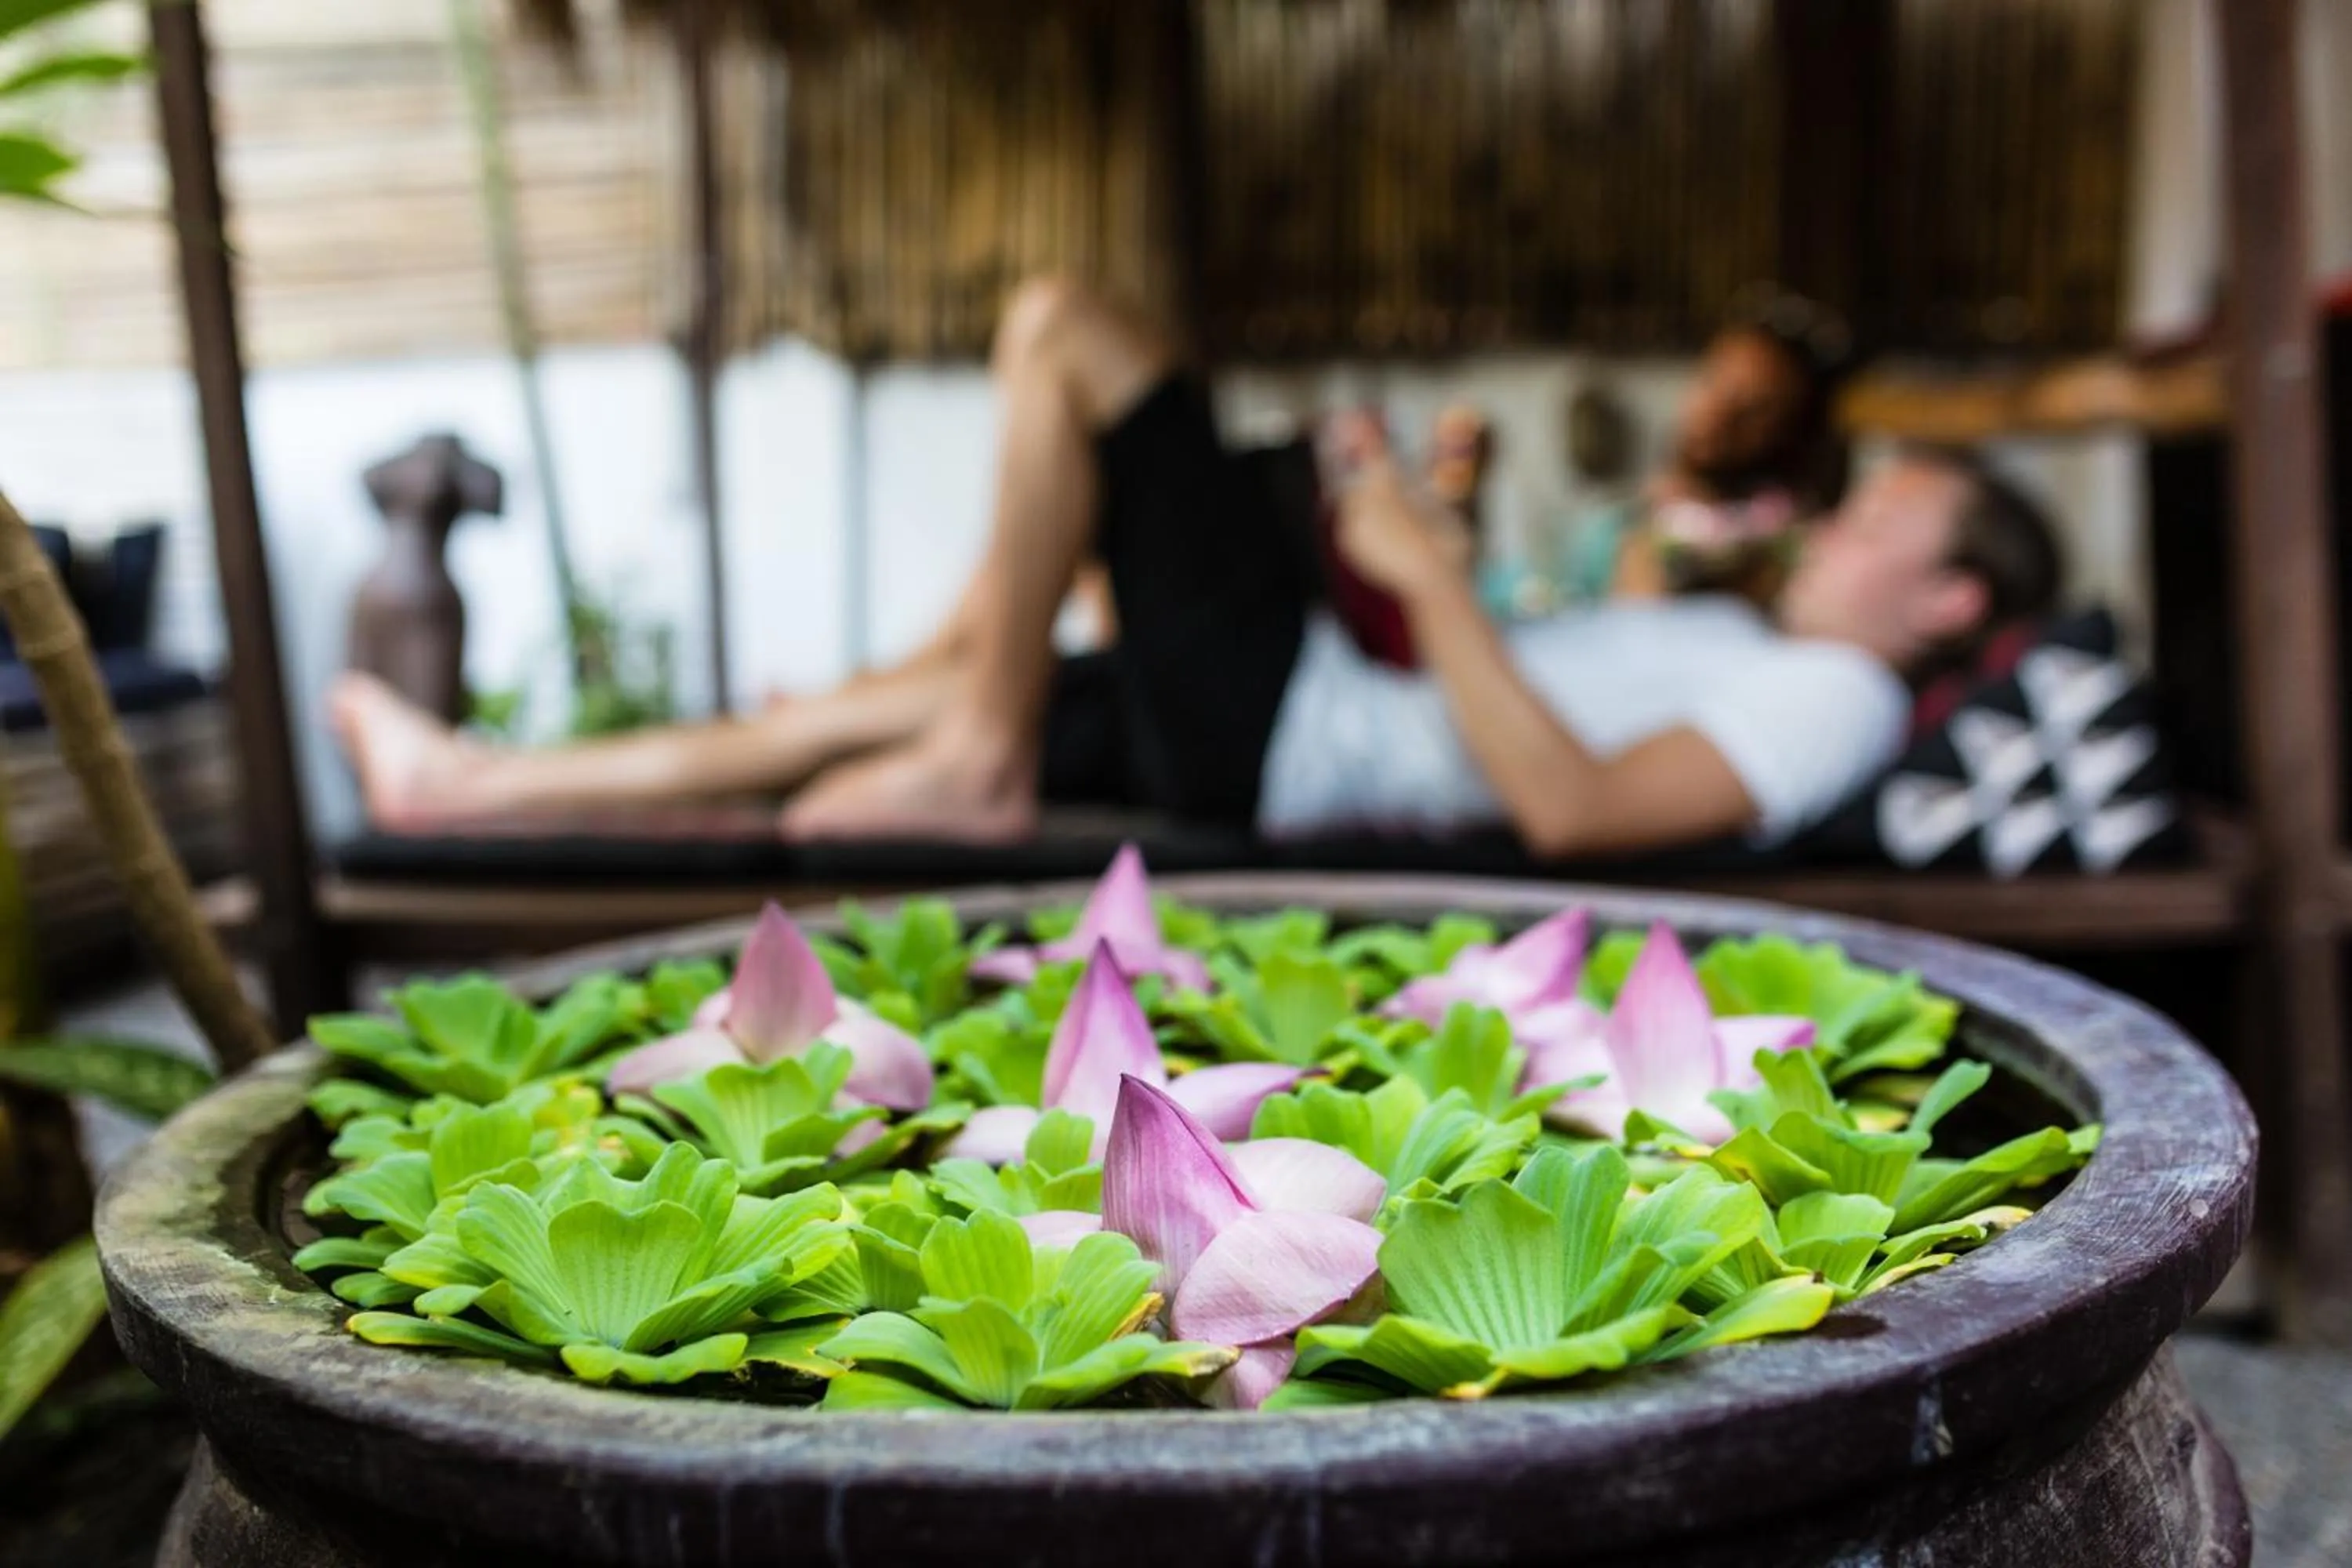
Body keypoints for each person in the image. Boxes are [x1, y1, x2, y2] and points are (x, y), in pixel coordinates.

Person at [336, 277, 2060, 858]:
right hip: (1291, 705)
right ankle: (472, 783)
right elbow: (1555, 693)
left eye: (1889, 514)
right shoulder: (1753, 634)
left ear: (1953, 601)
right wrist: (1427, 548)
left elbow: (1580, 814)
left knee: (1069, 329)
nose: (1848, 514)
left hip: (1294, 734)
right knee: (914, 689)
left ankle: (980, 748)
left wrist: (1416, 573)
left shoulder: (1838, 692)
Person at [1553, 299, 1852, 608]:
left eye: (1754, 409)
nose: (1717, 415)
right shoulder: (1616, 518)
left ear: (1791, 433)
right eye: (1714, 381)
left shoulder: (1775, 549)